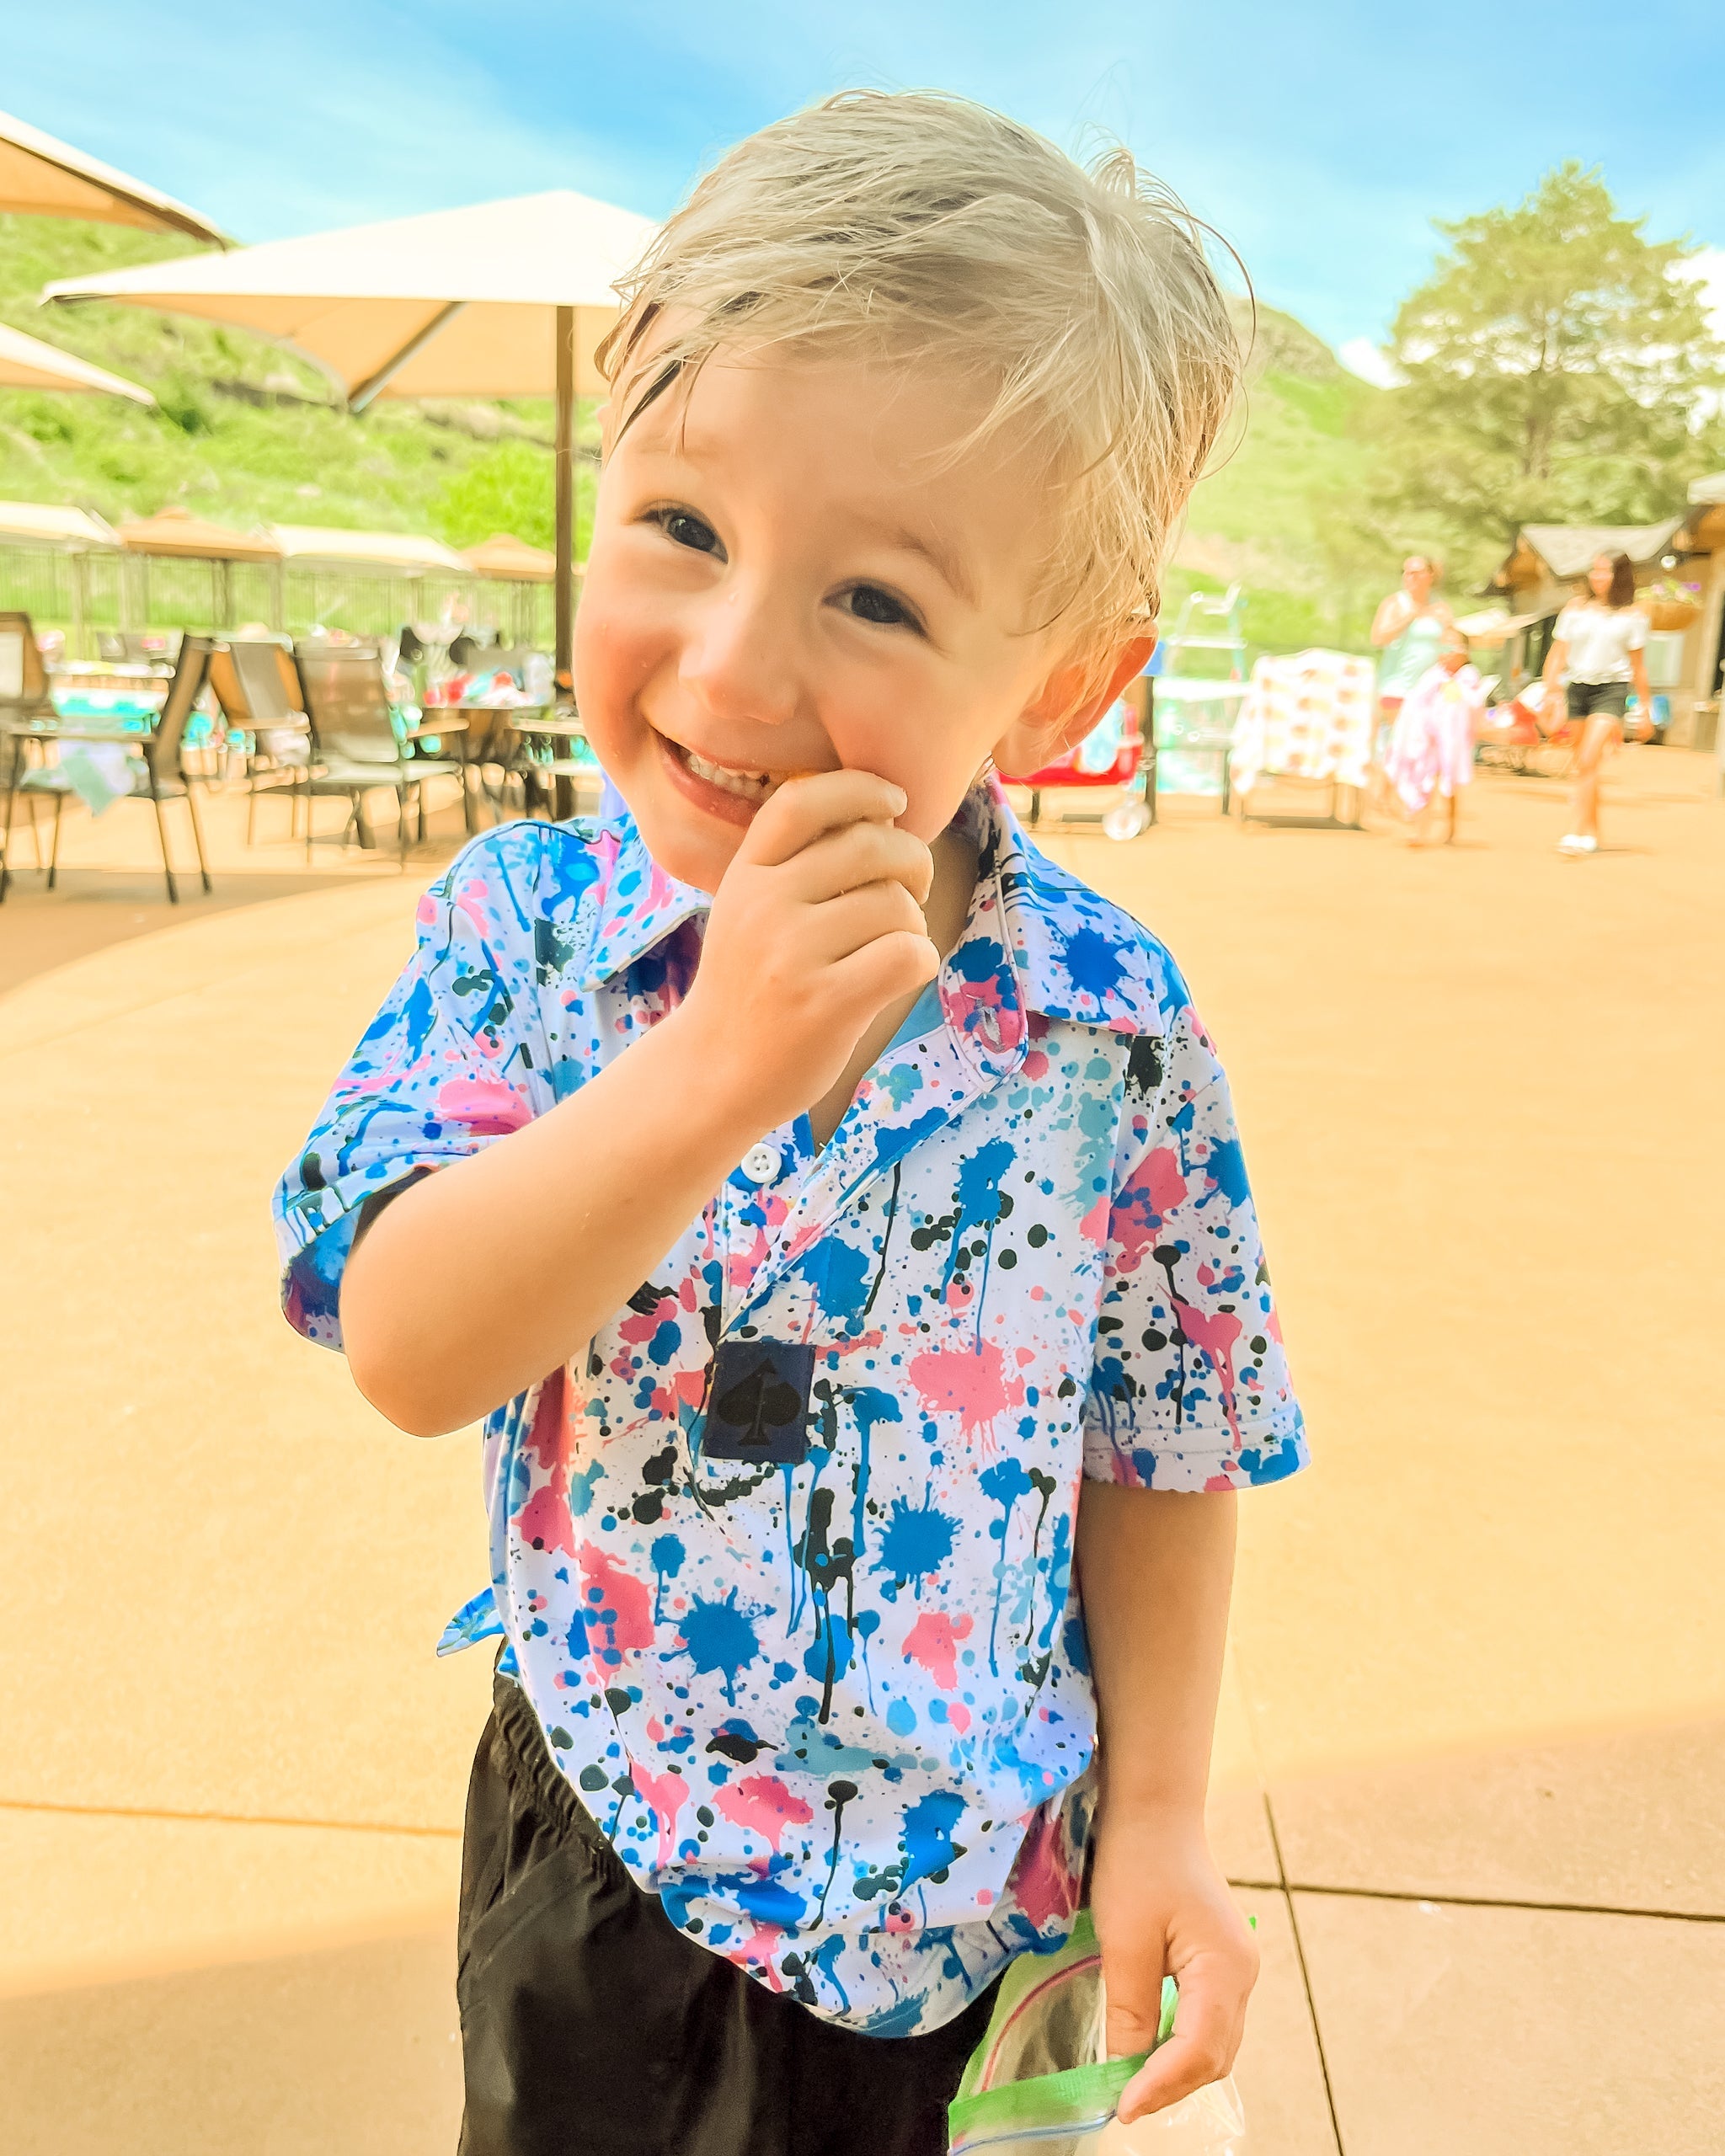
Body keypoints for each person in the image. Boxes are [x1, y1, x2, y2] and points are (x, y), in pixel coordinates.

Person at [274, 92, 1306, 2156]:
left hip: (973, 1887)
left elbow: (1165, 1433)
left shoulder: (1109, 1025)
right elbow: (406, 1339)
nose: (734, 665)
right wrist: (705, 1068)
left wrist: (1163, 1814)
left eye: (878, 602)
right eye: (682, 527)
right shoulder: (525, 931)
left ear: (1063, 688)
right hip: (613, 1846)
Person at [1542, 551, 1653, 857]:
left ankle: (1576, 831)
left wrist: (1645, 709)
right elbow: (1557, 654)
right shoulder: (1575, 609)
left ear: (1620, 576)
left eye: (1605, 571)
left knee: (1589, 759)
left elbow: (1639, 666)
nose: (1597, 577)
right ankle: (1592, 833)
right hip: (1577, 689)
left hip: (1611, 690)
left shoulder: (1633, 615)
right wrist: (1550, 691)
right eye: (1595, 570)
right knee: (1584, 766)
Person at [1369, 557, 1457, 809]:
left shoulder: (1441, 607)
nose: (1410, 577)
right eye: (1406, 572)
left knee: (1418, 742)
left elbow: (1451, 642)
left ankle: (1392, 795)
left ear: (1430, 575)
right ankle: (1386, 795)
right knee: (1398, 740)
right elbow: (1378, 638)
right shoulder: (1395, 604)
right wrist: (1409, 617)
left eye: (1417, 573)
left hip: (1428, 689)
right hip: (1396, 685)